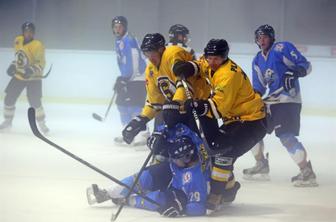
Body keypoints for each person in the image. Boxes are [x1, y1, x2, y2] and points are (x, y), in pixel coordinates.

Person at [171, 39, 266, 210]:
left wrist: (198, 105)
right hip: (236, 121)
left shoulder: (228, 75)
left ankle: (216, 194)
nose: (212, 62)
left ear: (224, 57)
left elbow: (218, 109)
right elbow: (200, 65)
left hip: (253, 121)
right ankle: (229, 189)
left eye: (216, 59)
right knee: (214, 150)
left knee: (222, 153)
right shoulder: (211, 63)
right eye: (210, 58)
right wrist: (188, 67)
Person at [242, 24, 318, 187]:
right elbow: (259, 87)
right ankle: (261, 164)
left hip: (287, 100)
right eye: (259, 38)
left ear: (271, 38)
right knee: (250, 129)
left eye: (265, 37)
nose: (262, 41)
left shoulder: (282, 48)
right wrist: (249, 99)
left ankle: (307, 172)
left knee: (286, 136)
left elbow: (306, 65)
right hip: (271, 101)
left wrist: (296, 72)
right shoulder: (257, 59)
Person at [86, 123, 215, 217]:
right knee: (145, 176)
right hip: (174, 172)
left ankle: (129, 200)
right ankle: (107, 192)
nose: (173, 160)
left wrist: (180, 208)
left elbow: (199, 207)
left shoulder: (196, 180)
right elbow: (175, 128)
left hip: (179, 190)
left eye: (176, 158)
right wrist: (158, 134)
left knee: (159, 199)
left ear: (187, 157)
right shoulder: (190, 144)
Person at [121, 33, 211, 147]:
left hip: (199, 108)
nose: (150, 57)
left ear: (161, 49)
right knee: (165, 148)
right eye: (146, 53)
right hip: (178, 111)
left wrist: (174, 104)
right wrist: (141, 119)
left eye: (152, 53)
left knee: (197, 148)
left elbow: (185, 86)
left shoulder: (172, 54)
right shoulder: (150, 70)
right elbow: (155, 103)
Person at [0, 22, 49, 134]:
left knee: (35, 102)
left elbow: (41, 63)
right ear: (23, 32)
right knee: (9, 98)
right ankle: (7, 122)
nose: (28, 33)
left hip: (34, 79)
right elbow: (18, 57)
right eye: (26, 31)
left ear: (33, 33)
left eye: (30, 31)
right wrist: (13, 65)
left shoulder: (38, 45)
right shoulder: (18, 40)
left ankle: (42, 124)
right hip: (19, 76)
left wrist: (31, 70)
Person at [111, 16, 148, 145]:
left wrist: (125, 79)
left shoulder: (129, 41)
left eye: (120, 27)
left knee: (135, 106)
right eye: (115, 27)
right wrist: (123, 78)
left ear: (125, 27)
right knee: (121, 104)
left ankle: (143, 134)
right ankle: (128, 131)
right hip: (129, 77)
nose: (117, 29)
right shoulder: (120, 41)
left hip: (137, 78)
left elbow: (134, 63)